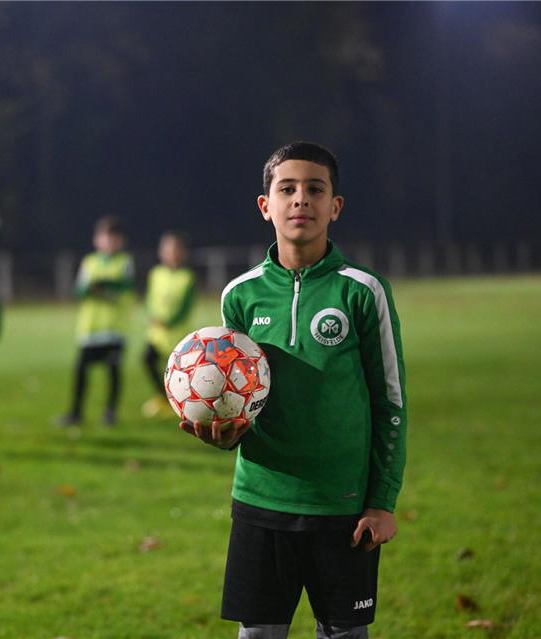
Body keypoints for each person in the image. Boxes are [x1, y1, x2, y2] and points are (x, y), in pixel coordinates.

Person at [180, 142, 408, 639]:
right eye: (286, 189)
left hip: (342, 504)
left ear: (335, 206)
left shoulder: (362, 290)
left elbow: (390, 400)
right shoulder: (239, 295)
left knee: (343, 634)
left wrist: (382, 500)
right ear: (266, 206)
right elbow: (239, 397)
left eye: (315, 189)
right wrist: (228, 435)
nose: (300, 199)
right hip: (262, 498)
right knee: (259, 634)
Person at [58, 216, 135, 426]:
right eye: (105, 237)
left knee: (113, 372)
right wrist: (91, 289)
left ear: (121, 241)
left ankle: (110, 412)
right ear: (96, 240)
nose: (109, 242)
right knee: (80, 371)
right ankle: (76, 412)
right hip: (90, 329)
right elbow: (79, 290)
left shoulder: (125, 262)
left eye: (114, 238)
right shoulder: (89, 262)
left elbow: (124, 286)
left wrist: (101, 284)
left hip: (114, 330)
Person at [140, 231, 196, 418]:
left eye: (175, 249)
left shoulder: (187, 276)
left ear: (182, 252)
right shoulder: (156, 274)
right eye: (167, 249)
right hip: (156, 334)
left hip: (177, 335)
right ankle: (164, 398)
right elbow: (149, 300)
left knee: (180, 375)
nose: (171, 253)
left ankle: (185, 404)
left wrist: (169, 322)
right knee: (147, 359)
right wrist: (151, 315)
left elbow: (185, 307)